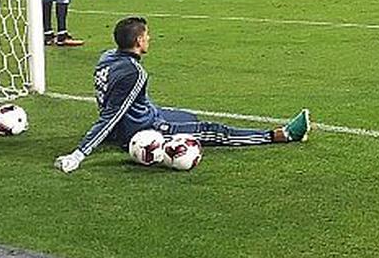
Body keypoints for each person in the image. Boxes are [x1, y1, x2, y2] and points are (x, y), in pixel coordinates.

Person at [54, 17, 310, 174]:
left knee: (188, 117)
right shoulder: (134, 73)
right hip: (142, 129)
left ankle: (122, 135)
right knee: (212, 131)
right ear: (140, 41)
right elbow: (111, 116)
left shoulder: (108, 57)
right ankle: (280, 135)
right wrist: (78, 155)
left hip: (140, 118)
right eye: (147, 36)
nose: (150, 39)